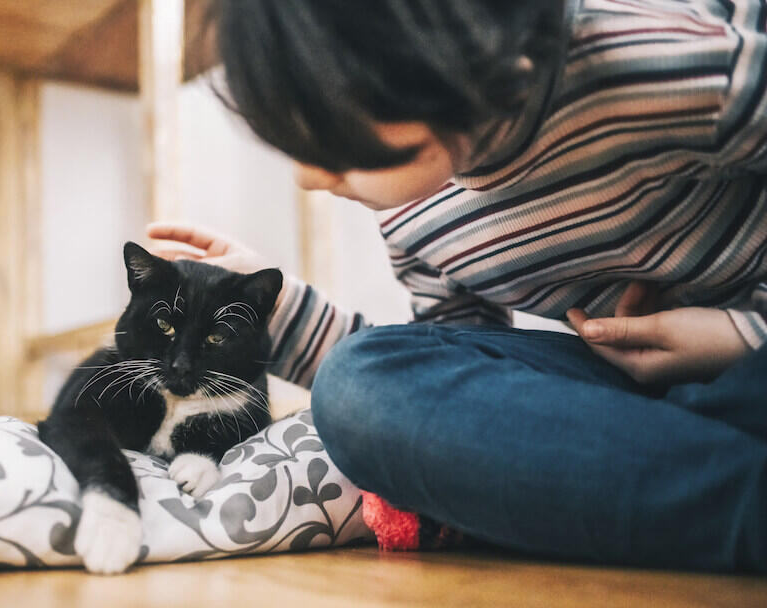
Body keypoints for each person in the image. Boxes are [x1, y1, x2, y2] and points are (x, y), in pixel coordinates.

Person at [150, 0, 767, 572]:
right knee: (360, 388)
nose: (309, 177)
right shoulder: (409, 210)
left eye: (338, 143)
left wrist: (744, 333)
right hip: (630, 405)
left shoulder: (647, 60)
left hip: (746, 371)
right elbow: (456, 370)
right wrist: (271, 313)